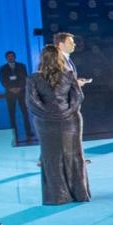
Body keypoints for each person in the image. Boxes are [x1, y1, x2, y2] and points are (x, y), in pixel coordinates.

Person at [25, 44, 90, 205]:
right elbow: (77, 98)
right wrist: (66, 113)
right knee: (74, 155)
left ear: (42, 59)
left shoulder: (33, 78)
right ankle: (79, 193)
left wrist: (49, 115)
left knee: (50, 157)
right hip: (70, 121)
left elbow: (32, 103)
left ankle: (57, 196)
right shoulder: (69, 75)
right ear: (59, 58)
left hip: (45, 123)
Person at [0, 50, 33, 145]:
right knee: (12, 113)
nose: (10, 58)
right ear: (6, 58)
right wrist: (11, 89)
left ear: (15, 57)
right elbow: (2, 80)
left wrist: (19, 88)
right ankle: (14, 132)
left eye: (12, 56)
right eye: (9, 56)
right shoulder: (3, 68)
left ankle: (28, 131)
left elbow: (25, 78)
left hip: (21, 92)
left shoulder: (22, 66)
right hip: (10, 93)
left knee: (25, 112)